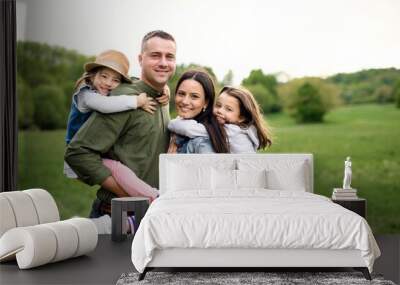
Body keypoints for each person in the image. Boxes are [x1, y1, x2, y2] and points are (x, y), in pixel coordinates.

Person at [65, 30, 176, 218]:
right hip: (120, 214)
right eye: (155, 55)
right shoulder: (122, 99)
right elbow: (78, 152)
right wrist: (128, 196)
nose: (163, 63)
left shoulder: (162, 98)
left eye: (170, 57)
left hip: (152, 215)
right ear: (141, 59)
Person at [168, 85, 272, 153]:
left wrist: (173, 122)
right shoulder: (244, 129)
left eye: (228, 109)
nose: (220, 111)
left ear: (242, 117)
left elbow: (189, 129)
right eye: (218, 105)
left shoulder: (232, 131)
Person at [167, 70, 229, 154]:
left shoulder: (202, 142)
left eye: (194, 96)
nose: (185, 101)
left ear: (206, 102)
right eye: (181, 94)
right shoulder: (177, 129)